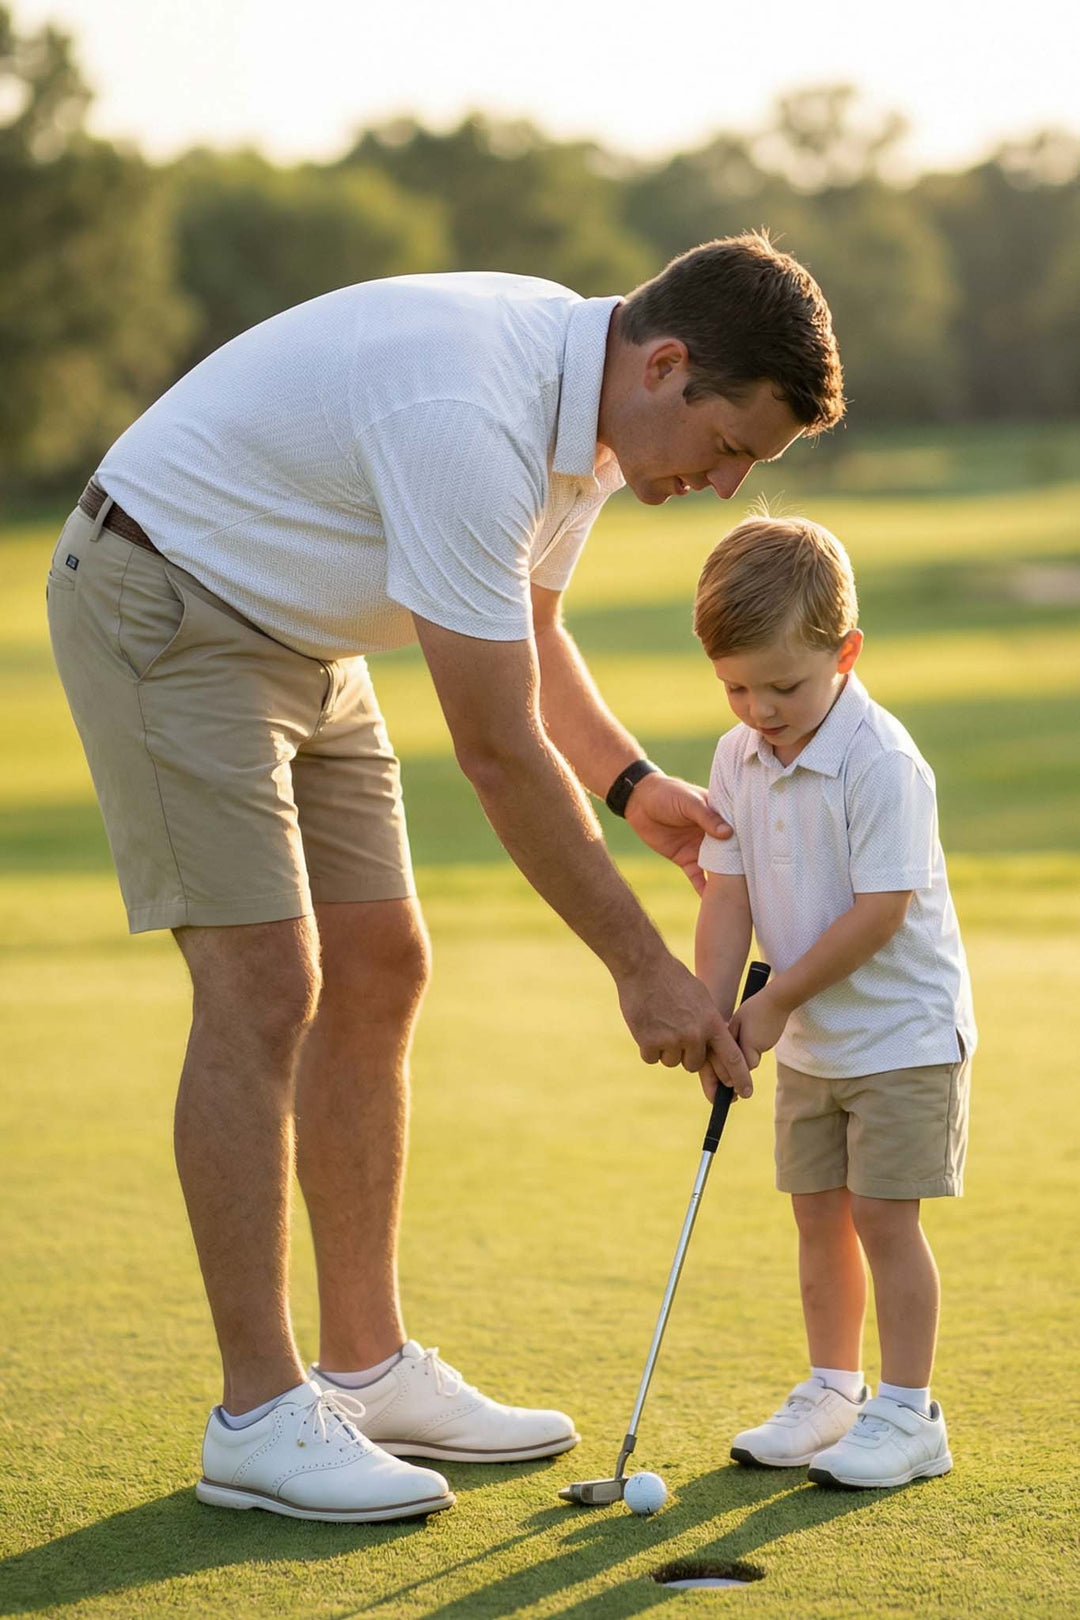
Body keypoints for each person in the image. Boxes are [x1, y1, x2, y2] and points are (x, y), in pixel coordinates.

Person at [46, 234, 844, 1523]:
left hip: (306, 631)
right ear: (668, 363)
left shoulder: (589, 427)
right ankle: (258, 1413)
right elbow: (495, 748)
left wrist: (638, 793)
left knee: (384, 964)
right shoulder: (471, 412)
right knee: (265, 981)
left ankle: (366, 1366)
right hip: (166, 601)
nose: (725, 486)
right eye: (734, 448)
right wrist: (643, 970)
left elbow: (528, 632)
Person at [692, 513, 975, 1490]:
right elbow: (726, 891)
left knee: (883, 1219)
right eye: (737, 686)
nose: (759, 709)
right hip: (812, 1041)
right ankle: (832, 1391)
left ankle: (908, 1413)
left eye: (784, 686)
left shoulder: (879, 761)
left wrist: (772, 1006)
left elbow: (879, 914)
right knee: (818, 1215)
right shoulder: (738, 755)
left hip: (901, 1036)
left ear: (844, 654)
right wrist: (712, 1008)